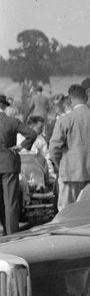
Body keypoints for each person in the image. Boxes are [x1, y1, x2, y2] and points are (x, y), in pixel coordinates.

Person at [48, 83, 90, 210]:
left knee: (68, 213)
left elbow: (53, 149)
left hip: (71, 174)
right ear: (86, 98)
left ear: (70, 100)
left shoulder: (64, 120)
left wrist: (61, 165)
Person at [0, 95, 38, 236]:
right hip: (9, 164)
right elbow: (32, 134)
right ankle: (11, 235)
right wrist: (21, 146)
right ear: (4, 106)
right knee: (10, 201)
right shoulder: (12, 121)